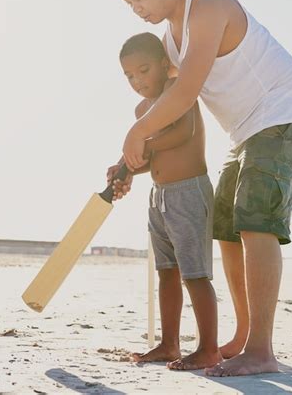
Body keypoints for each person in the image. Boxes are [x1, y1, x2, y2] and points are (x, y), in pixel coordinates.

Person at [108, 0, 292, 377]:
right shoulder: (169, 40)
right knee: (226, 225)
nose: (136, 8)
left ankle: (262, 350)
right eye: (128, 3)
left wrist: (137, 132)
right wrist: (128, 161)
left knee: (255, 219)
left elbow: (185, 92)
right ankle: (244, 338)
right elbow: (162, 100)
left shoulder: (208, 5)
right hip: (244, 130)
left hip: (283, 110)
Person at [108, 32, 222, 370]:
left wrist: (140, 148)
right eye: (129, 75)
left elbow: (180, 134)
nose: (137, 80)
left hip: (188, 192)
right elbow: (146, 156)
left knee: (195, 274)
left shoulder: (177, 90)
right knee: (167, 272)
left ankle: (208, 348)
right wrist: (124, 170)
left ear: (163, 64)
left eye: (143, 70)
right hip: (160, 197)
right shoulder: (143, 110)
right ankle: (169, 344)